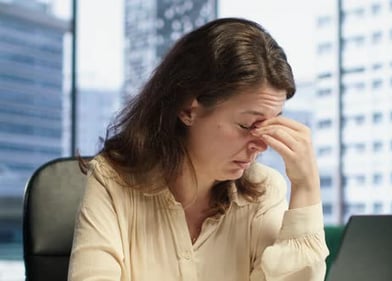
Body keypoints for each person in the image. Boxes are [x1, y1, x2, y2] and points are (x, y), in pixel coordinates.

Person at [68, 17, 329, 281]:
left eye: (271, 124)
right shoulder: (113, 180)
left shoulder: (264, 191)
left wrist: (306, 185)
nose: (262, 144)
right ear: (188, 110)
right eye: (248, 124)